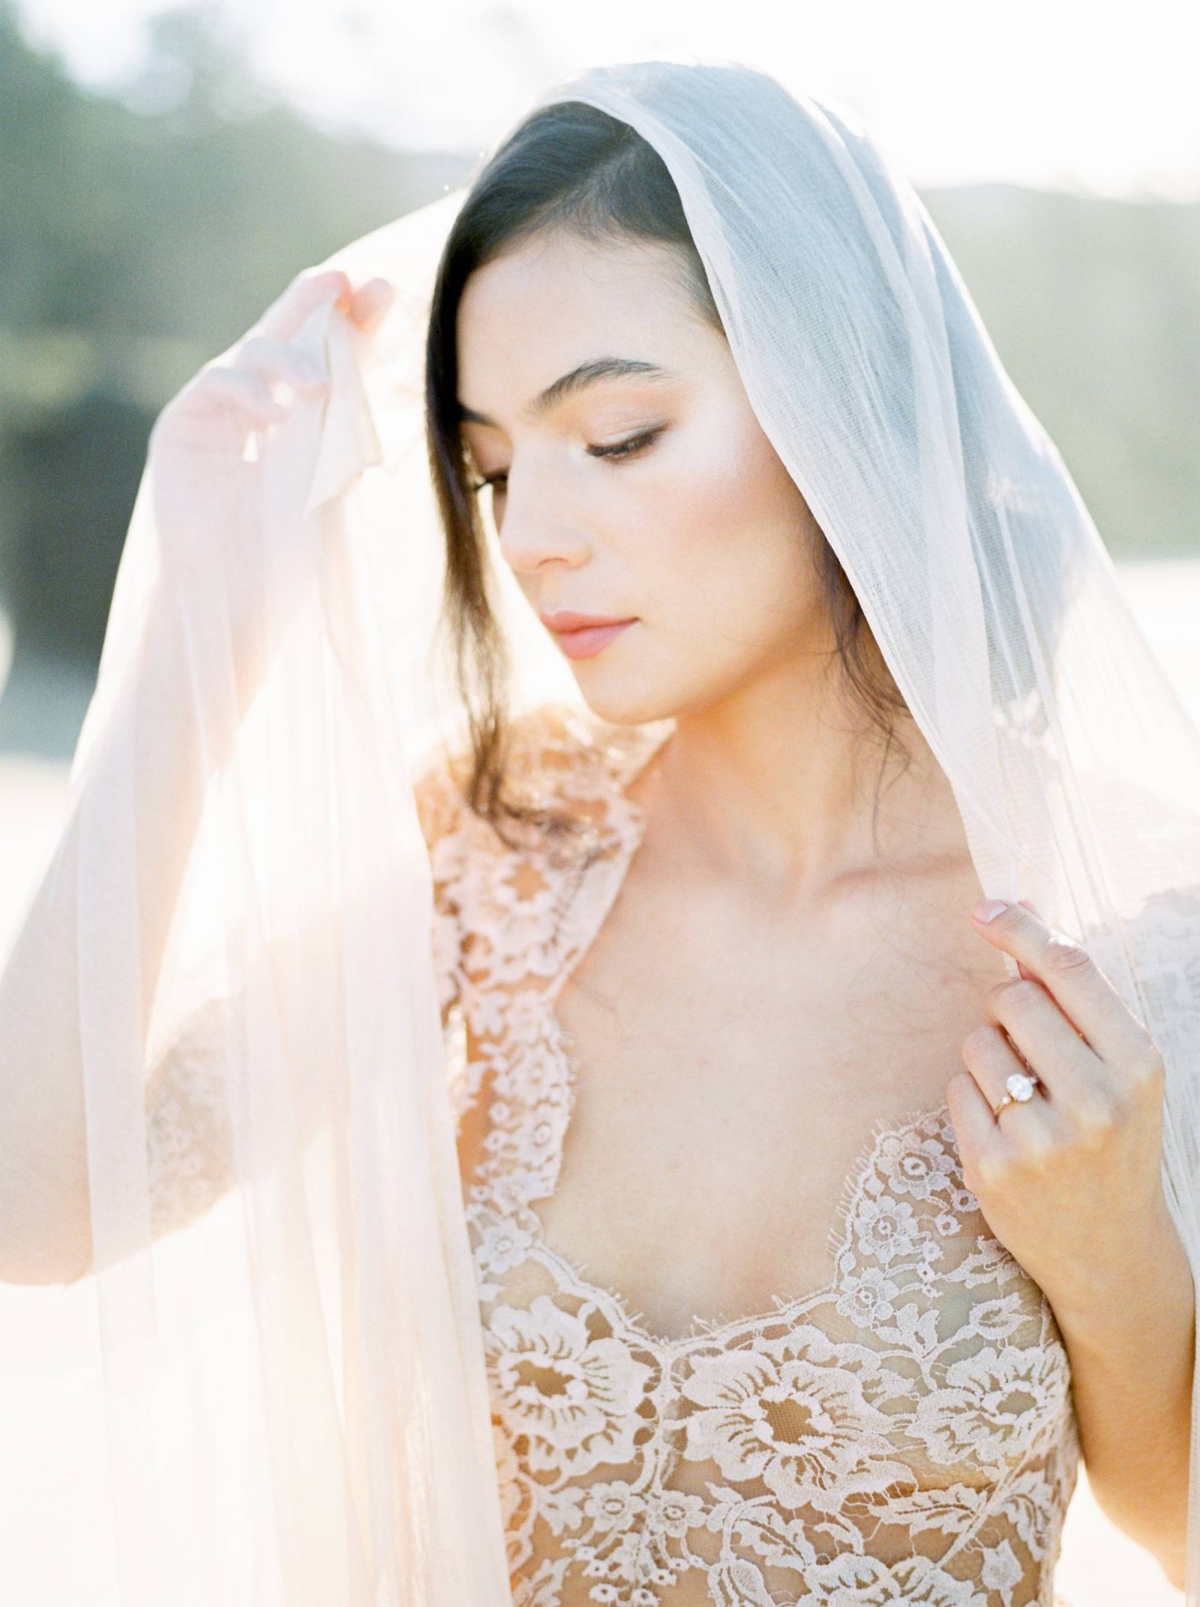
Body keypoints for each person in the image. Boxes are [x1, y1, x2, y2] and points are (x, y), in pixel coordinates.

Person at [2, 59, 1199, 1607]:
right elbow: (38, 1205)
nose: (531, 536)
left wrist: (1117, 1263)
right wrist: (187, 628)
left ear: (839, 400)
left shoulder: (1129, 930)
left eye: (619, 434)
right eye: (492, 466)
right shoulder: (500, 854)